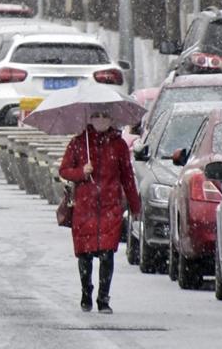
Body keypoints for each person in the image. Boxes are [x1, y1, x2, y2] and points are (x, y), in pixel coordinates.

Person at [59, 107, 140, 314]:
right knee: (84, 254)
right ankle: (86, 292)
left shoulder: (119, 145)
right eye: (97, 116)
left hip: (109, 207)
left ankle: (103, 298)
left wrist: (135, 205)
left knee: (107, 253)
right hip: (84, 208)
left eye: (105, 116)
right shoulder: (79, 143)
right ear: (90, 118)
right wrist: (81, 172)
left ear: (112, 119)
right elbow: (64, 170)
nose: (101, 120)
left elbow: (127, 177)